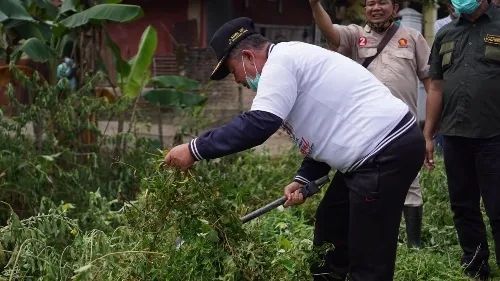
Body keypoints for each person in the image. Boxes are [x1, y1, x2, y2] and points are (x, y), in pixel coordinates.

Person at [163, 17, 425, 281]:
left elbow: (258, 125)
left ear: (247, 56)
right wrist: (304, 178)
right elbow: (324, 131)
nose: (238, 81)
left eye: (234, 71)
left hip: (386, 151)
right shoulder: (290, 63)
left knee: (369, 255)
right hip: (373, 153)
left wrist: (194, 149)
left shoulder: (281, 62)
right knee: (332, 225)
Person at [309, 0, 431, 248]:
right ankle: (378, 239)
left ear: (395, 8)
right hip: (365, 131)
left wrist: (430, 130)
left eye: (382, 2)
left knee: (411, 184)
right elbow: (330, 32)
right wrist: (314, 5)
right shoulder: (355, 36)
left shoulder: (413, 37)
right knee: (368, 184)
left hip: (404, 129)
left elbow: (431, 83)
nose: (376, 7)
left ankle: (414, 245)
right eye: (370, 3)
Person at [425, 0, 500, 280]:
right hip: (455, 135)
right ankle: (476, 267)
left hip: (494, 134)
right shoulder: (445, 33)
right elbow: (435, 86)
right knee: (463, 206)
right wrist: (428, 134)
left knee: (498, 207)